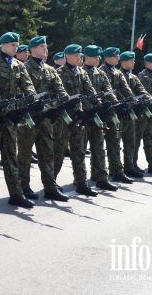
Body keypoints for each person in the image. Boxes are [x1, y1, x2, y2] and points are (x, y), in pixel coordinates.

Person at [0, 32, 37, 209]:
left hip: (11, 119)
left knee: (11, 157)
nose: (16, 47)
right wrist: (5, 109)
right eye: (12, 45)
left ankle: (16, 194)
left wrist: (31, 98)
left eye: (17, 44)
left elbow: (28, 85)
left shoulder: (19, 65)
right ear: (3, 45)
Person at [16, 36, 68, 202]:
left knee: (47, 153)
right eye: (42, 46)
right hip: (28, 118)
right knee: (24, 154)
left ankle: (50, 187)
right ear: (32, 50)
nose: (45, 49)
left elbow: (60, 90)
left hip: (46, 117)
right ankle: (23, 186)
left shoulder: (50, 70)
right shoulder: (23, 68)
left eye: (46, 46)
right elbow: (19, 92)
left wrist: (61, 102)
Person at [55, 44, 98, 196]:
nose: (79, 58)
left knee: (79, 151)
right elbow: (57, 95)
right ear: (67, 56)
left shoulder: (82, 72)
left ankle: (81, 182)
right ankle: (52, 182)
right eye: (75, 55)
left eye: (79, 55)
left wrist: (97, 105)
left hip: (79, 117)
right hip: (64, 118)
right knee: (59, 152)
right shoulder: (59, 73)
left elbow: (90, 92)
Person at [81, 45, 119, 191]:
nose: (98, 59)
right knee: (80, 150)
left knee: (99, 148)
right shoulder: (81, 72)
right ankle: (81, 180)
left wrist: (113, 104)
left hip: (98, 116)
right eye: (96, 57)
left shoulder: (100, 73)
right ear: (88, 57)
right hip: (84, 116)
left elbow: (108, 91)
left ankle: (101, 178)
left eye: (99, 57)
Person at [98, 46, 136, 183]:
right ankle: (98, 173)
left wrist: (132, 102)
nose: (117, 58)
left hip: (116, 111)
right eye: (115, 56)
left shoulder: (117, 72)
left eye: (118, 56)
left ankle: (117, 171)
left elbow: (126, 89)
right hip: (105, 112)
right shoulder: (101, 71)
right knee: (101, 145)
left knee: (115, 142)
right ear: (108, 58)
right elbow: (104, 92)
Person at [118, 51, 152, 178]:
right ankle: (116, 169)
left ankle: (130, 165)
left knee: (131, 141)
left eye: (134, 60)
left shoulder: (133, 77)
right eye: (131, 60)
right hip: (121, 113)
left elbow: (142, 91)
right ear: (124, 61)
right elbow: (117, 92)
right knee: (115, 143)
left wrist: (147, 99)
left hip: (132, 114)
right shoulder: (118, 75)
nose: (134, 62)